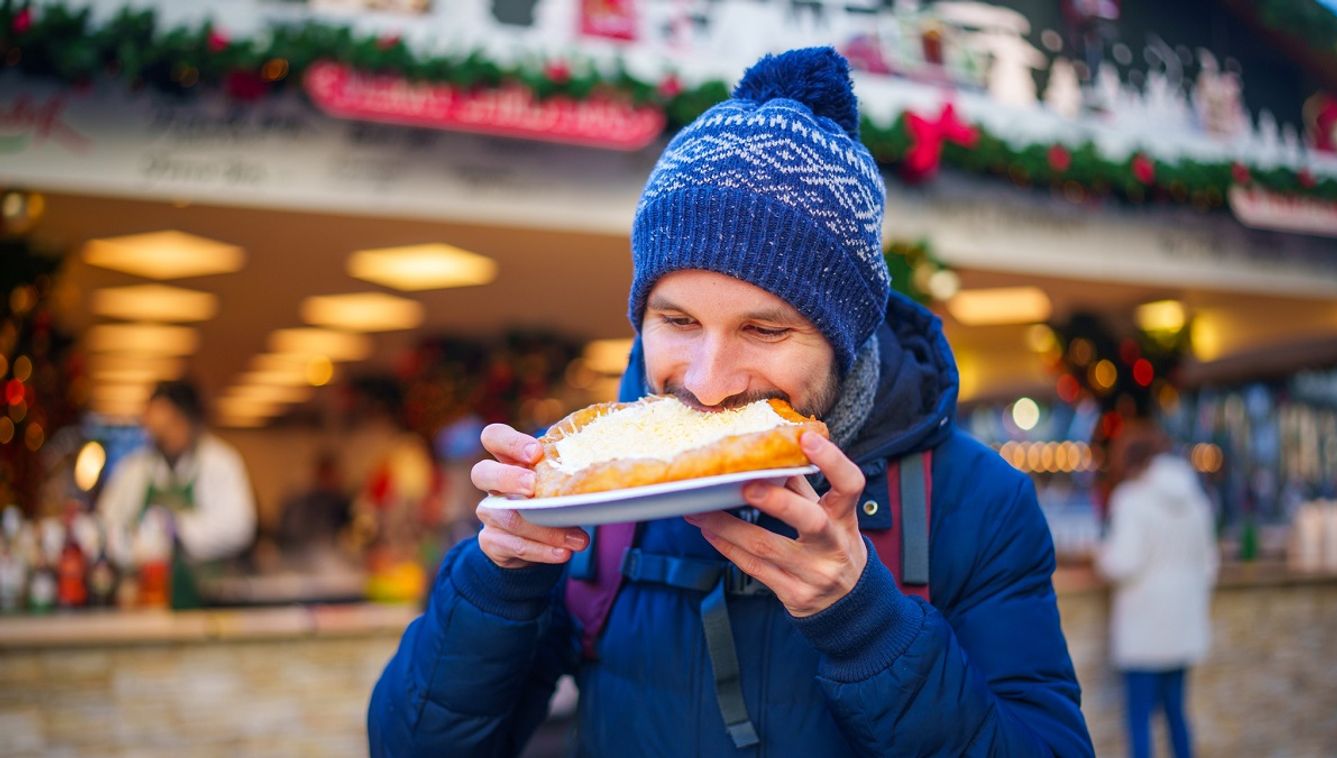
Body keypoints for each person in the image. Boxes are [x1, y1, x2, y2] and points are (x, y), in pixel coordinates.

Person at [369, 47, 1093, 756]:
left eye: (765, 329)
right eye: (677, 321)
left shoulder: (976, 503)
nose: (709, 381)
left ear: (842, 336)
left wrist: (864, 621)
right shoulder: (582, 495)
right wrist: (499, 582)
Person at [1097, 429, 1218, 758]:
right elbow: (1209, 564)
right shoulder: (1196, 500)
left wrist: (1101, 554)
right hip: (1182, 626)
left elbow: (1123, 562)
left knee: (1139, 720)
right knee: (1177, 714)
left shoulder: (1131, 500)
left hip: (1145, 630)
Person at [97, 379, 257, 609]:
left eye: (170, 425)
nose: (163, 436)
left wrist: (180, 530)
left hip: (208, 599)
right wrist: (134, 546)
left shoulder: (220, 462)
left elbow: (241, 526)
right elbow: (106, 526)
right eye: (156, 429)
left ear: (189, 421)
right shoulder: (134, 469)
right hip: (145, 599)